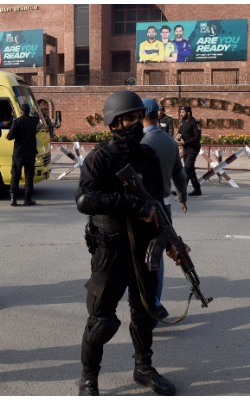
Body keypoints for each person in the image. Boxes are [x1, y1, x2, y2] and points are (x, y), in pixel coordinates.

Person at [75, 90, 179, 396]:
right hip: (111, 249)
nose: (136, 124)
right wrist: (133, 206)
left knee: (145, 314)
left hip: (144, 249)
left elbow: (158, 205)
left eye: (138, 117)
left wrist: (172, 240)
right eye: (129, 118)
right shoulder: (101, 159)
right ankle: (89, 376)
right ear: (115, 123)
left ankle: (143, 368)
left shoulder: (149, 157)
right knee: (102, 321)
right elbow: (85, 199)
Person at [141, 98, 188, 320]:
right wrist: (183, 196)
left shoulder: (141, 142)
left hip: (143, 208)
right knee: (156, 256)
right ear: (157, 115)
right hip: (164, 205)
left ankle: (143, 304)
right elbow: (180, 174)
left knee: (141, 257)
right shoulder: (169, 141)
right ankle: (155, 302)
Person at [7, 103, 40, 206]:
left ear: (21, 111)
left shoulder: (17, 122)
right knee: (29, 176)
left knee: (15, 175)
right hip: (30, 153)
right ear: (28, 111)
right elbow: (37, 117)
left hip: (19, 153)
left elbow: (10, 136)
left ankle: (13, 199)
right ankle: (27, 199)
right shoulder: (34, 121)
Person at [176, 106, 203, 196]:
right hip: (186, 149)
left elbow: (197, 137)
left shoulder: (195, 122)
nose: (181, 113)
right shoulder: (182, 122)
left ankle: (181, 191)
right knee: (190, 170)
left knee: (186, 168)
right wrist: (178, 137)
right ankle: (197, 189)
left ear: (188, 113)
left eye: (183, 112)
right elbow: (179, 132)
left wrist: (185, 142)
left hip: (193, 148)